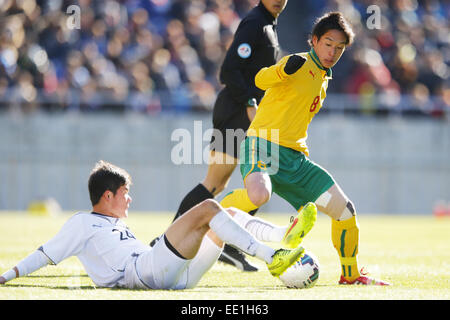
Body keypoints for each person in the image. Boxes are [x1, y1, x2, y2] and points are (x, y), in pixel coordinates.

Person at [219, 12, 390, 285]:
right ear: (314, 41)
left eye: (339, 47)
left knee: (344, 212)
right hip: (263, 146)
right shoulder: (297, 63)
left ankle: (350, 275)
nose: (332, 52)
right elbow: (261, 80)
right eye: (328, 44)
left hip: (296, 161)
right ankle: (217, 213)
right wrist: (281, 69)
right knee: (259, 195)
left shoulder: (324, 78)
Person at [0, 160, 307, 289]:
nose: (129, 199)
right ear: (107, 196)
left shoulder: (113, 223)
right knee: (210, 207)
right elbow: (44, 254)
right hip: (144, 272)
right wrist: (5, 276)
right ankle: (271, 257)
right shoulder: (82, 224)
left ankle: (282, 236)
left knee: (225, 214)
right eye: (125, 193)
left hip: (173, 276)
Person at [165, 0, 289, 272]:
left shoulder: (268, 24)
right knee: (216, 182)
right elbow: (228, 70)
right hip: (237, 111)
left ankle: (230, 246)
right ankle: (170, 242)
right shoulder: (255, 23)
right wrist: (249, 103)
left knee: (237, 182)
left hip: (247, 114)